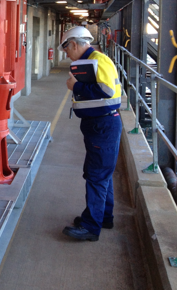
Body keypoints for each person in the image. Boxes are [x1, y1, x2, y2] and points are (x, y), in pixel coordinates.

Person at [60, 26, 122, 241]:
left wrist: (76, 86)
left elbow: (107, 92)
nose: (66, 54)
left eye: (66, 49)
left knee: (96, 176)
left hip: (103, 126)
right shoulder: (90, 62)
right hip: (100, 125)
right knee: (103, 174)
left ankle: (90, 227)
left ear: (74, 44)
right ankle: (103, 217)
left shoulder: (98, 60)